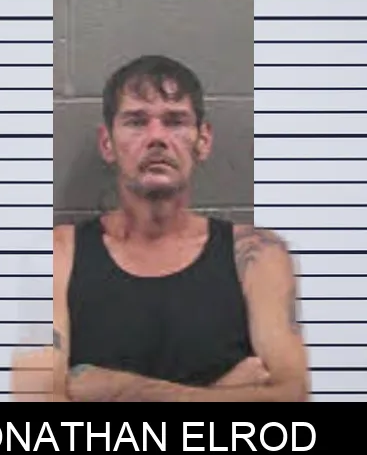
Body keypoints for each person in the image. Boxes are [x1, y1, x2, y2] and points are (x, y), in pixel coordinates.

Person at [20, 54, 309, 402]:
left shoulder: (255, 255)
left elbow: (292, 396)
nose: (156, 137)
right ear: (107, 143)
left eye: (175, 121)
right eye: (136, 122)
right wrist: (224, 392)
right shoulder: (58, 256)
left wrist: (117, 389)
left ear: (203, 140)